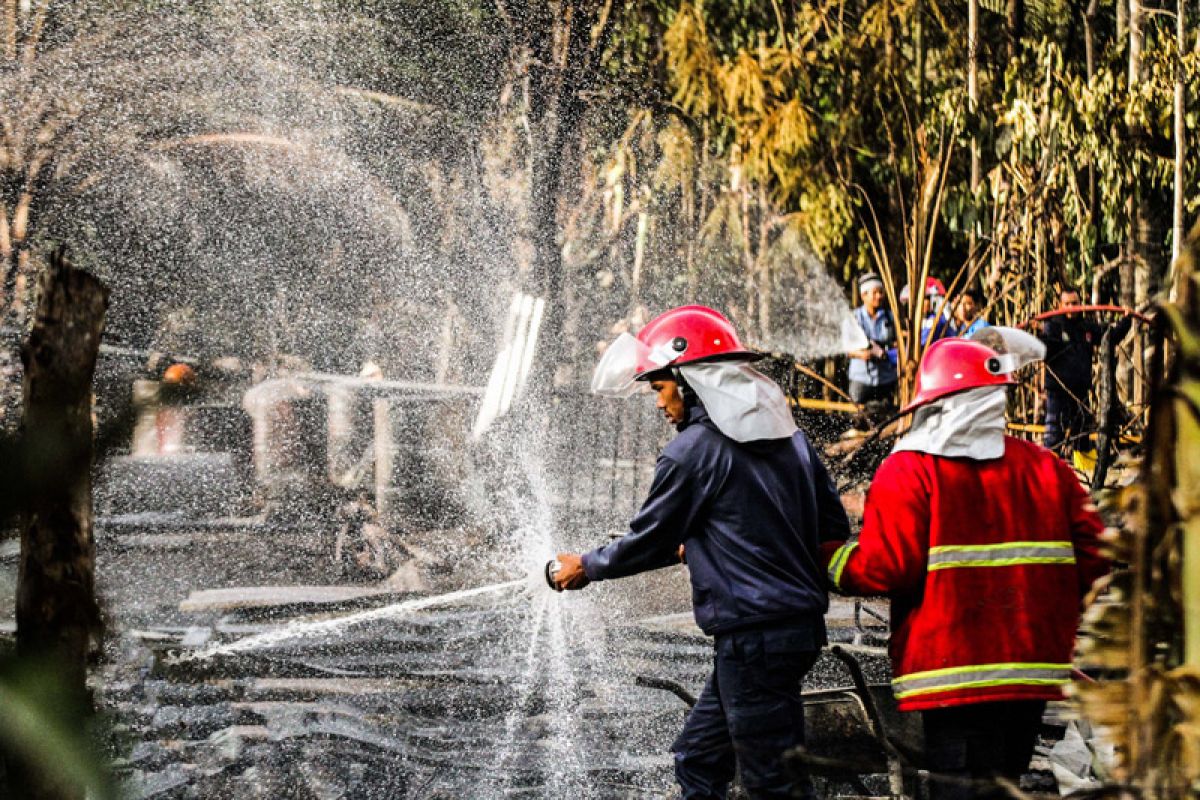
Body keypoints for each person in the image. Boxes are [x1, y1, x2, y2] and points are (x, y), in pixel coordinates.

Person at [554, 304, 851, 800]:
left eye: (659, 388)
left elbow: (648, 539)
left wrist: (587, 565)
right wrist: (718, 544)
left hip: (753, 638)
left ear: (690, 381)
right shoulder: (790, 438)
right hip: (792, 632)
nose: (657, 403)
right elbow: (829, 524)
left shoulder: (691, 450)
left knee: (771, 783)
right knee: (698, 757)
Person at [822, 328, 1108, 800]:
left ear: (932, 402)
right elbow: (1095, 553)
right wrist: (1043, 609)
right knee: (1004, 785)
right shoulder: (1044, 466)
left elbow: (885, 568)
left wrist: (827, 557)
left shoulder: (909, 469)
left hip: (952, 677)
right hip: (1027, 674)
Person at [1038, 287, 1130, 457]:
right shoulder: (1052, 326)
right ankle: (1048, 471)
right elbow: (1042, 348)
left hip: (1080, 390)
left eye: (1075, 303)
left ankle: (1084, 474)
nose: (1071, 307)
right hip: (1058, 391)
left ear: (1080, 304)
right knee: (1054, 434)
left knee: (1082, 436)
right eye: (1067, 304)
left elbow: (1111, 337)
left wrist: (1126, 320)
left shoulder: (1086, 327)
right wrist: (1039, 336)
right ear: (1060, 305)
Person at [848, 272, 898, 405]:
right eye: (875, 293)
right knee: (858, 419)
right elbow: (846, 348)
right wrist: (862, 354)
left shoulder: (890, 317)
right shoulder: (854, 318)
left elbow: (896, 342)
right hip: (861, 379)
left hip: (886, 379)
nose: (879, 296)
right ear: (863, 295)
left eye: (881, 292)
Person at [900, 277, 957, 344]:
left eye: (923, 300)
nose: (918, 305)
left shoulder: (935, 320)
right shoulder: (926, 320)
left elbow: (923, 343)